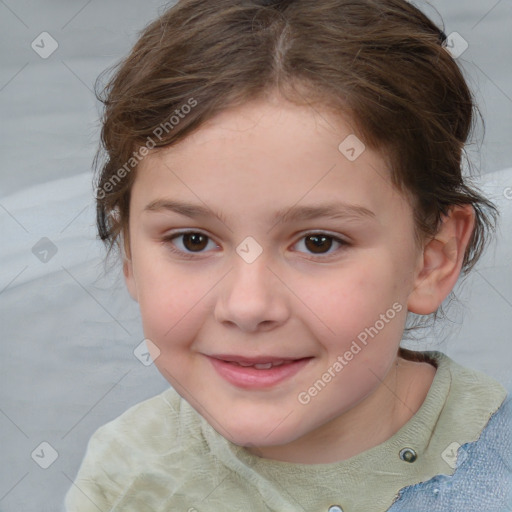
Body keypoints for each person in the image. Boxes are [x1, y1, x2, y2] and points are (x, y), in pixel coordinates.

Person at [65, 0, 512, 510]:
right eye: (193, 240)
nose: (248, 306)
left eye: (319, 242)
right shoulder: (128, 476)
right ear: (129, 255)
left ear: (432, 257)